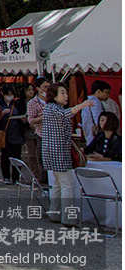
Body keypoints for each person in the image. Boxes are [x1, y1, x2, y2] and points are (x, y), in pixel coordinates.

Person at [41, 82, 95, 225]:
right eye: (62, 93)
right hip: (58, 152)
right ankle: (68, 218)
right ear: (54, 95)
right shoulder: (53, 108)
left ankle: (55, 213)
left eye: (66, 93)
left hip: (54, 151)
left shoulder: (51, 108)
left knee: (59, 184)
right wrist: (82, 105)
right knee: (66, 185)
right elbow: (65, 114)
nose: (66, 96)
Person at [0, 86, 26, 185]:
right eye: (7, 94)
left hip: (16, 132)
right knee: (5, 156)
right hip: (5, 132)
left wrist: (23, 120)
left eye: (11, 94)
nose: (9, 96)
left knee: (17, 156)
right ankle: (6, 176)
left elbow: (23, 114)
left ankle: (16, 177)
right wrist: (1, 114)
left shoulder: (17, 104)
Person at [26, 76, 50, 182]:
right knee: (42, 159)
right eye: (44, 87)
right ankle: (44, 181)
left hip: (54, 134)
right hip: (41, 134)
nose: (46, 89)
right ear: (38, 88)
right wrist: (43, 116)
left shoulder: (53, 101)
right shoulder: (33, 103)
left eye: (48, 87)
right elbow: (30, 120)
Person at [81, 80, 113, 144]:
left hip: (88, 133)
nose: (108, 95)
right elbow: (98, 119)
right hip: (94, 134)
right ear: (98, 91)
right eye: (107, 92)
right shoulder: (95, 102)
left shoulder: (88, 100)